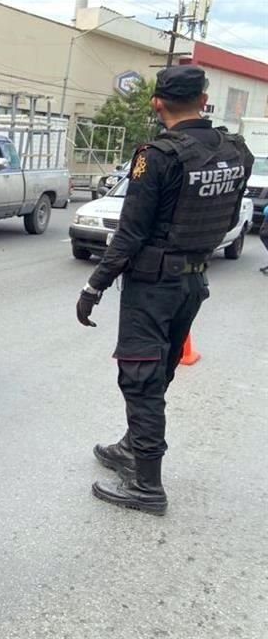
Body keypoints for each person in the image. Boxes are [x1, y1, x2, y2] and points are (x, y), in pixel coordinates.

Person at [76, 66, 254, 515]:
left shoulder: (156, 156)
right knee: (159, 371)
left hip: (153, 285)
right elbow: (230, 219)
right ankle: (131, 446)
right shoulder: (237, 150)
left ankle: (147, 486)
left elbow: (130, 234)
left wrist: (94, 285)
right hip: (193, 281)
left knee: (140, 378)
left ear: (157, 103)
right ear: (205, 98)